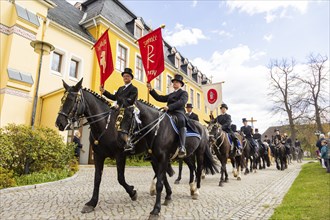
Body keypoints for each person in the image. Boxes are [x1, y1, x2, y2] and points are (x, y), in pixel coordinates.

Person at [147, 74, 188, 158]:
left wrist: (169, 107)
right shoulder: (171, 94)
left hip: (178, 112)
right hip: (168, 113)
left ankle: (182, 147)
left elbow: (181, 102)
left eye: (177, 82)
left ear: (181, 84)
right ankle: (152, 149)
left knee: (181, 121)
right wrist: (151, 90)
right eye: (174, 82)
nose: (175, 83)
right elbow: (159, 98)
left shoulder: (184, 93)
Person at [100, 67, 138, 151]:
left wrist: (119, 102)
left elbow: (130, 101)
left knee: (125, 117)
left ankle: (127, 140)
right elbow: (114, 97)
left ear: (131, 78)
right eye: (124, 76)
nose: (125, 77)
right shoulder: (120, 88)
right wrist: (104, 91)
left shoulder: (134, 89)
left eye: (127, 76)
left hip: (128, 109)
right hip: (118, 109)